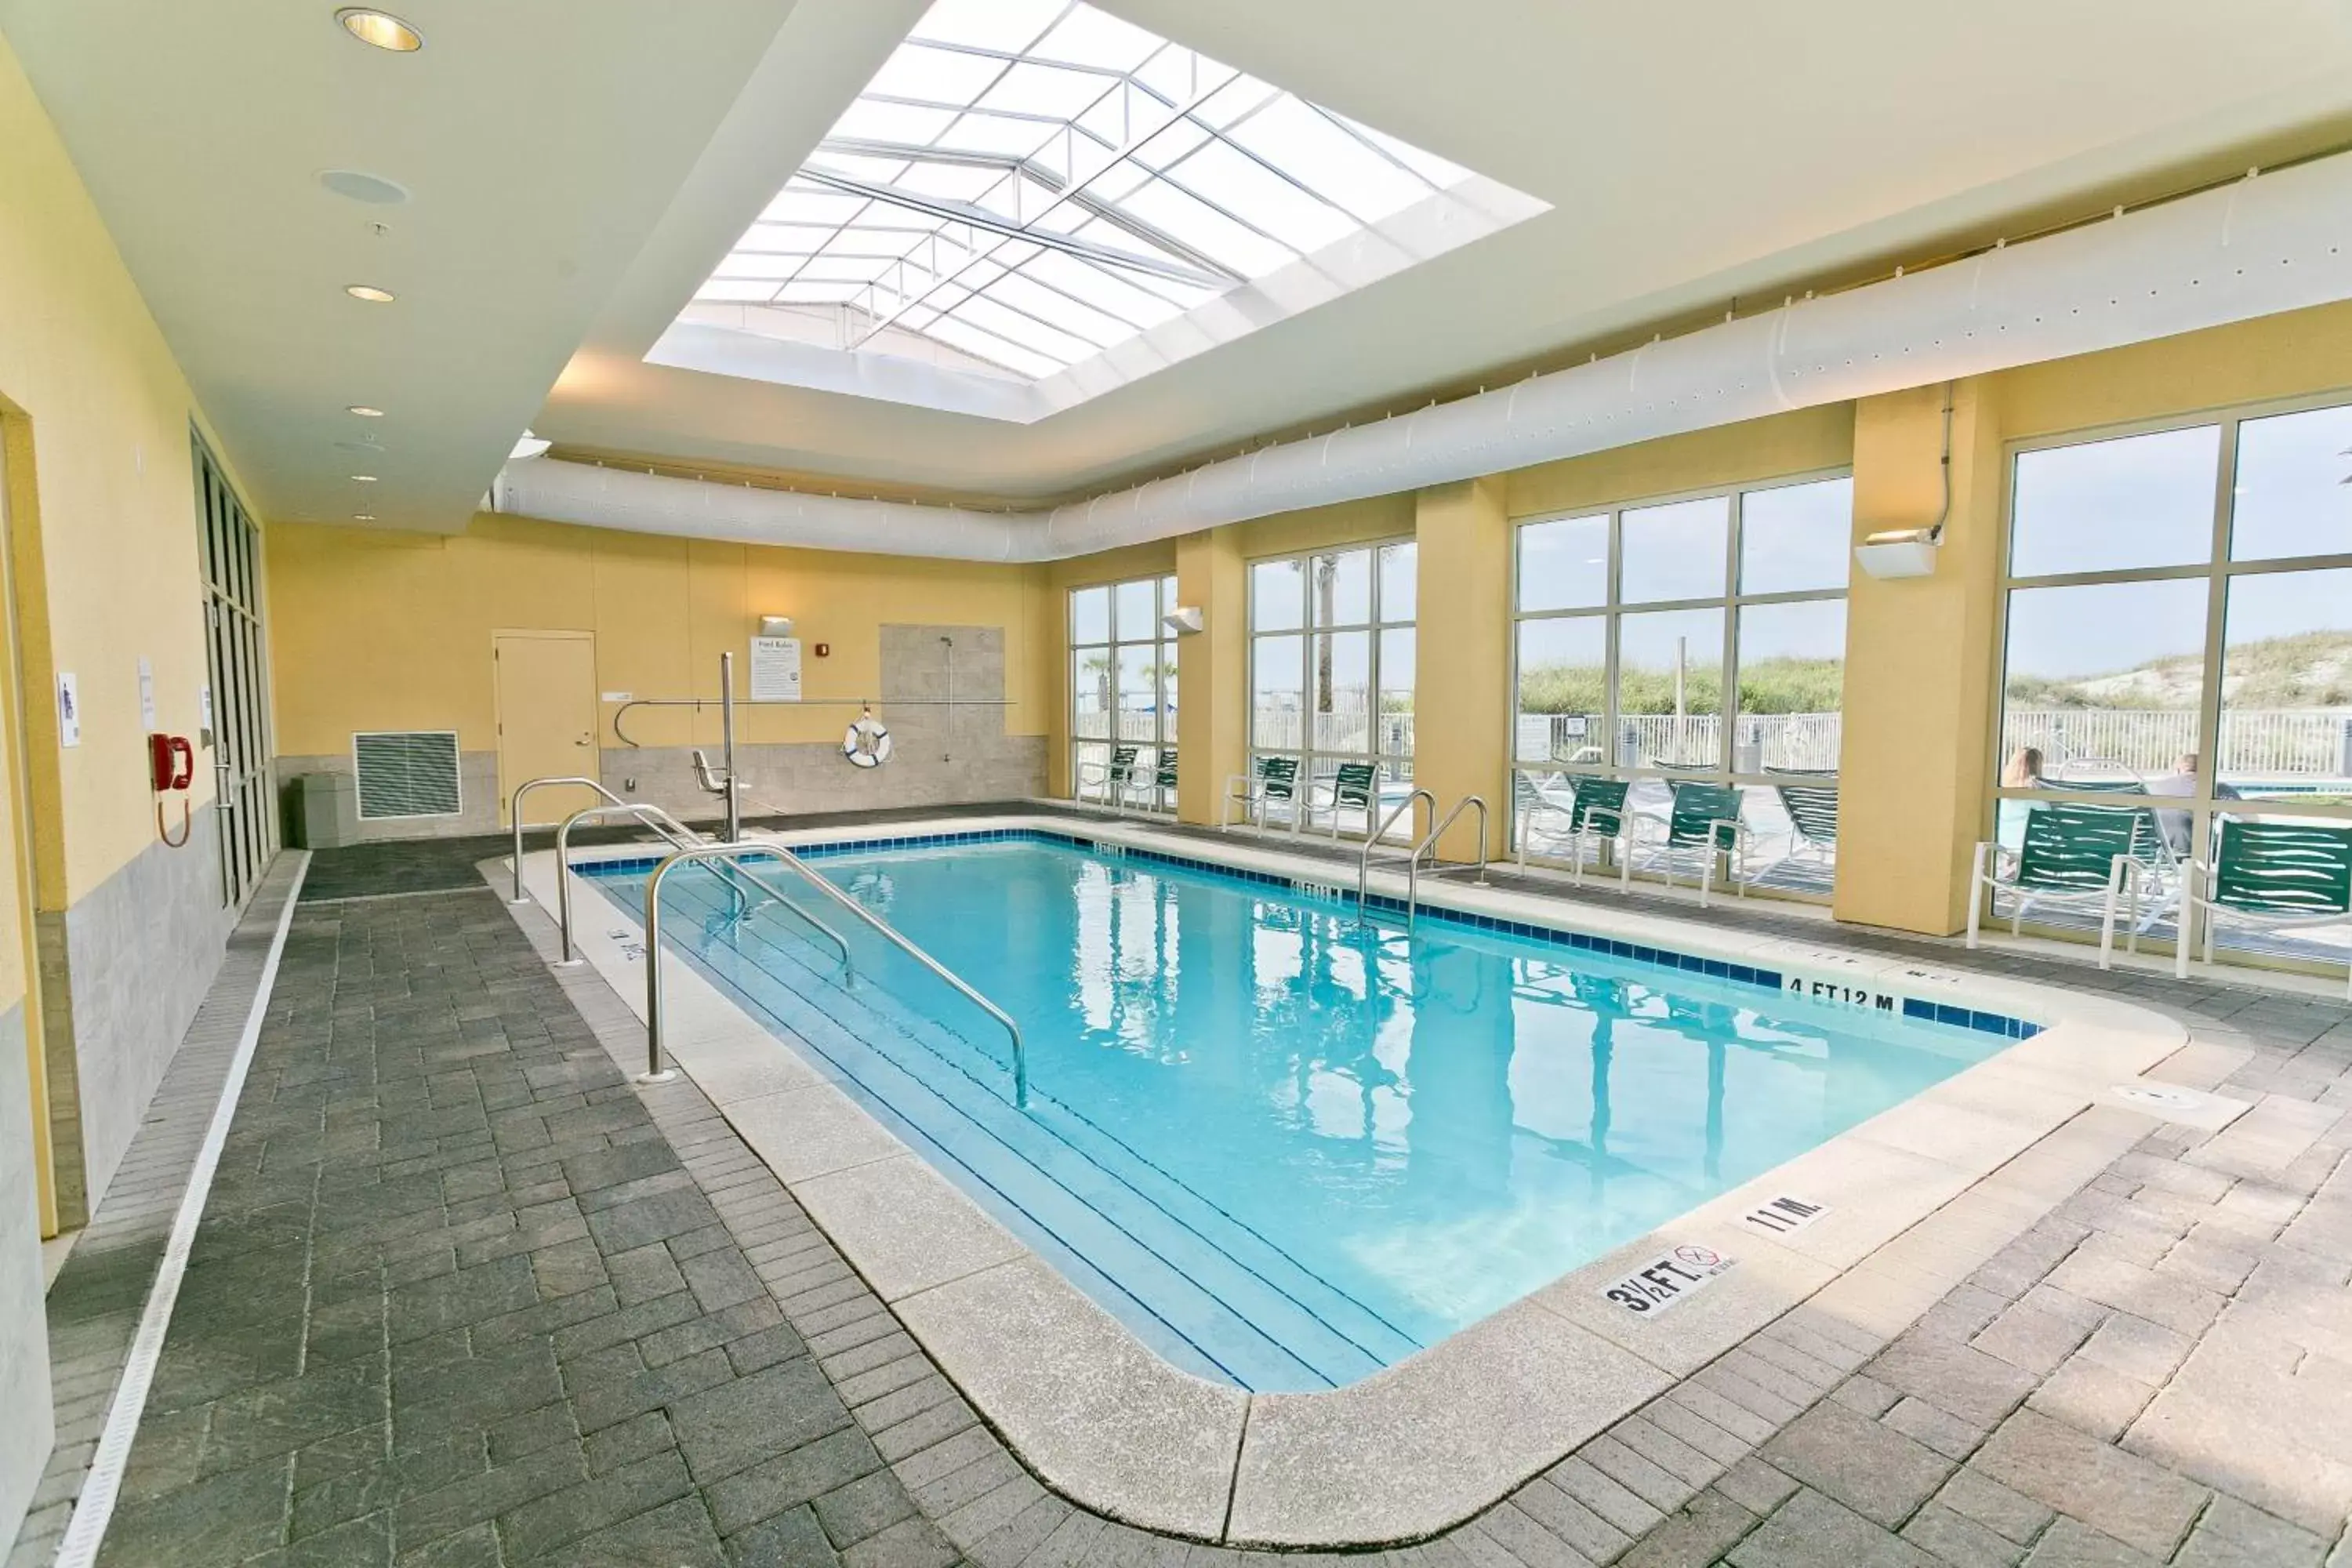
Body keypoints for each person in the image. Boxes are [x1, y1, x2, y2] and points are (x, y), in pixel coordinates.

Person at [2147, 751, 2237, 854]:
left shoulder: (2153, 788)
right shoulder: (2219, 788)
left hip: (2158, 855)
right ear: (2207, 770)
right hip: (2202, 855)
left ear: (2177, 771)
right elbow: (2246, 818)